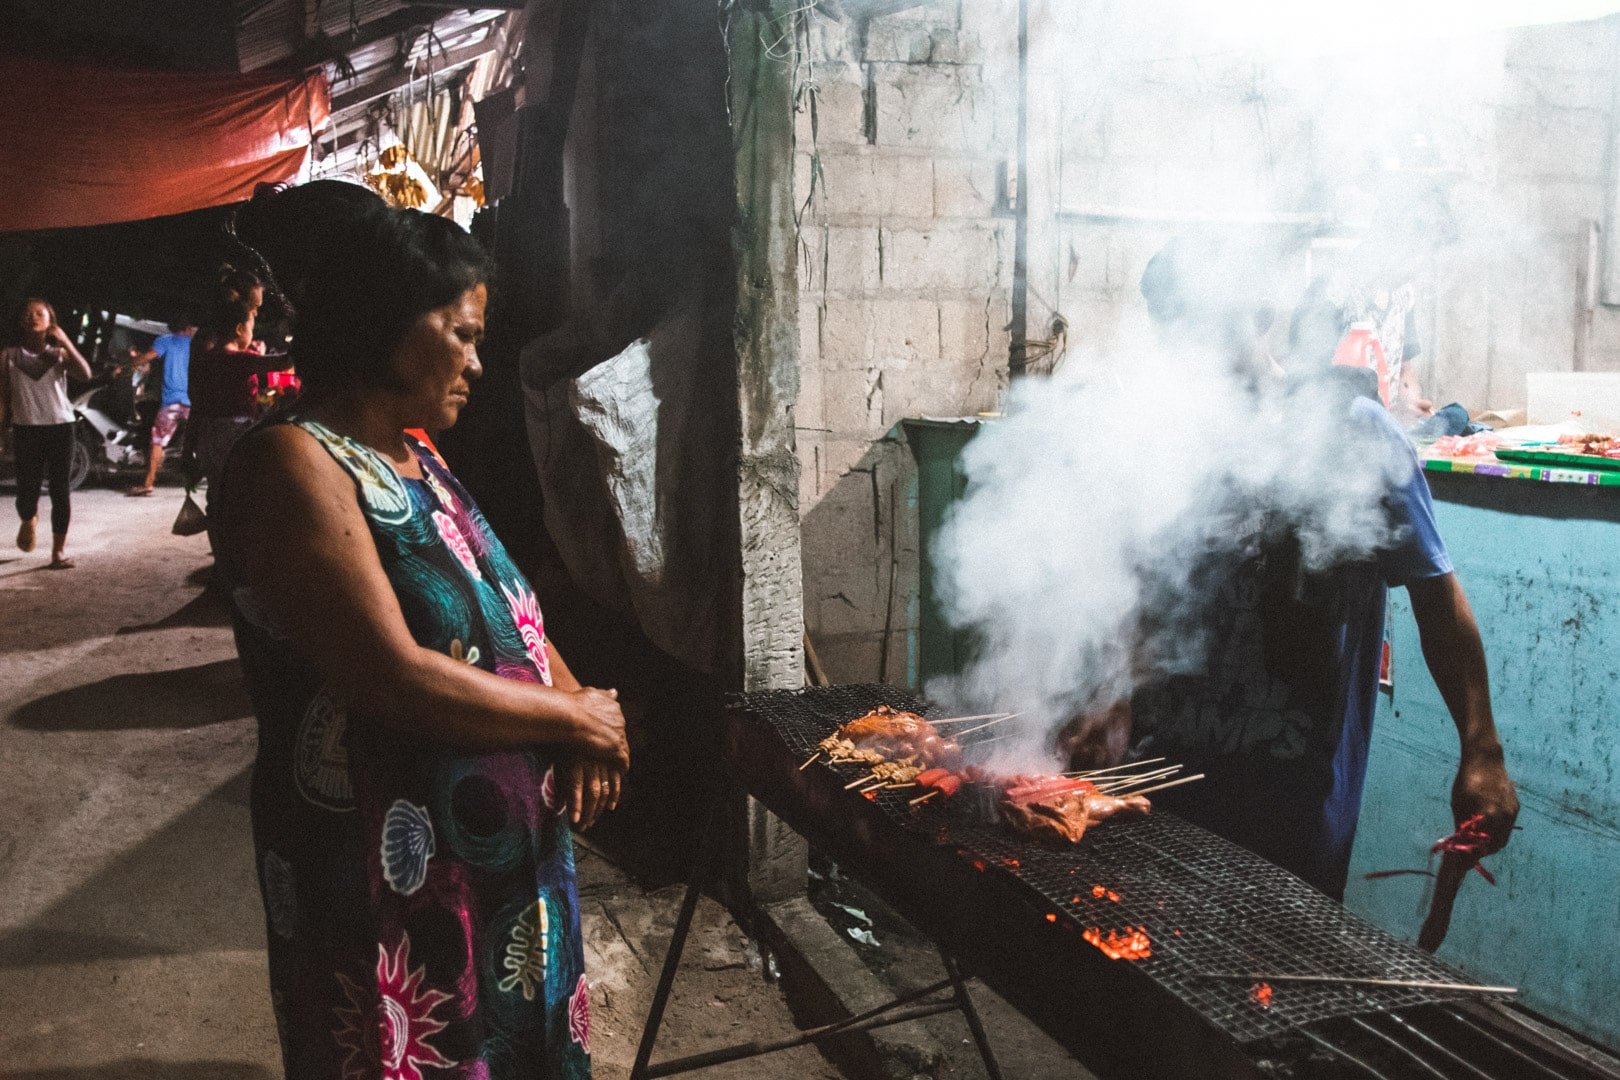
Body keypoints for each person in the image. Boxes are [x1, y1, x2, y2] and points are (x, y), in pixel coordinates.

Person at [218, 180, 624, 1078]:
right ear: (388, 322)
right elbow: (387, 676)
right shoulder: (294, 462)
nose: (479, 364)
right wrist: (576, 721)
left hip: (495, 865)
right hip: (388, 868)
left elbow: (508, 609)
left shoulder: (416, 453)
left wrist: (578, 698)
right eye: (465, 335)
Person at [1102, 235, 1518, 900]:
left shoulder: (1354, 432)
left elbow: (1436, 595)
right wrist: (1111, 691)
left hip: (1290, 786)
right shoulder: (1173, 442)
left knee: (1271, 960)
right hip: (1163, 773)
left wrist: (1482, 750)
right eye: (1173, 326)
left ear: (1257, 315)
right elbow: (1143, 585)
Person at [1, 298, 92, 568]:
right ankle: (28, 518)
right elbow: (3, 398)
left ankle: (58, 552)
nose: (33, 317)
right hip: (26, 429)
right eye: (28, 314)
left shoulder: (59, 355)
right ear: (21, 322)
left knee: (59, 490)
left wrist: (65, 341)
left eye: (39, 314)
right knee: (26, 492)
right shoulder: (8, 356)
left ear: (50, 322)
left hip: (61, 428)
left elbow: (85, 374)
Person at [188, 298, 289, 517]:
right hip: (233, 433)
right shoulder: (239, 359)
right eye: (251, 329)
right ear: (239, 329)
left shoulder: (208, 357)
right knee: (243, 496)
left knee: (219, 494)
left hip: (209, 433)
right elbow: (283, 363)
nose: (252, 335)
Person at [122, 319, 197, 495]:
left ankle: (148, 484)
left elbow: (148, 357)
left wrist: (127, 366)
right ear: (187, 327)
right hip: (192, 402)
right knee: (201, 439)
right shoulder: (195, 344)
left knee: (157, 440)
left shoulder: (165, 341)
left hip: (171, 402)